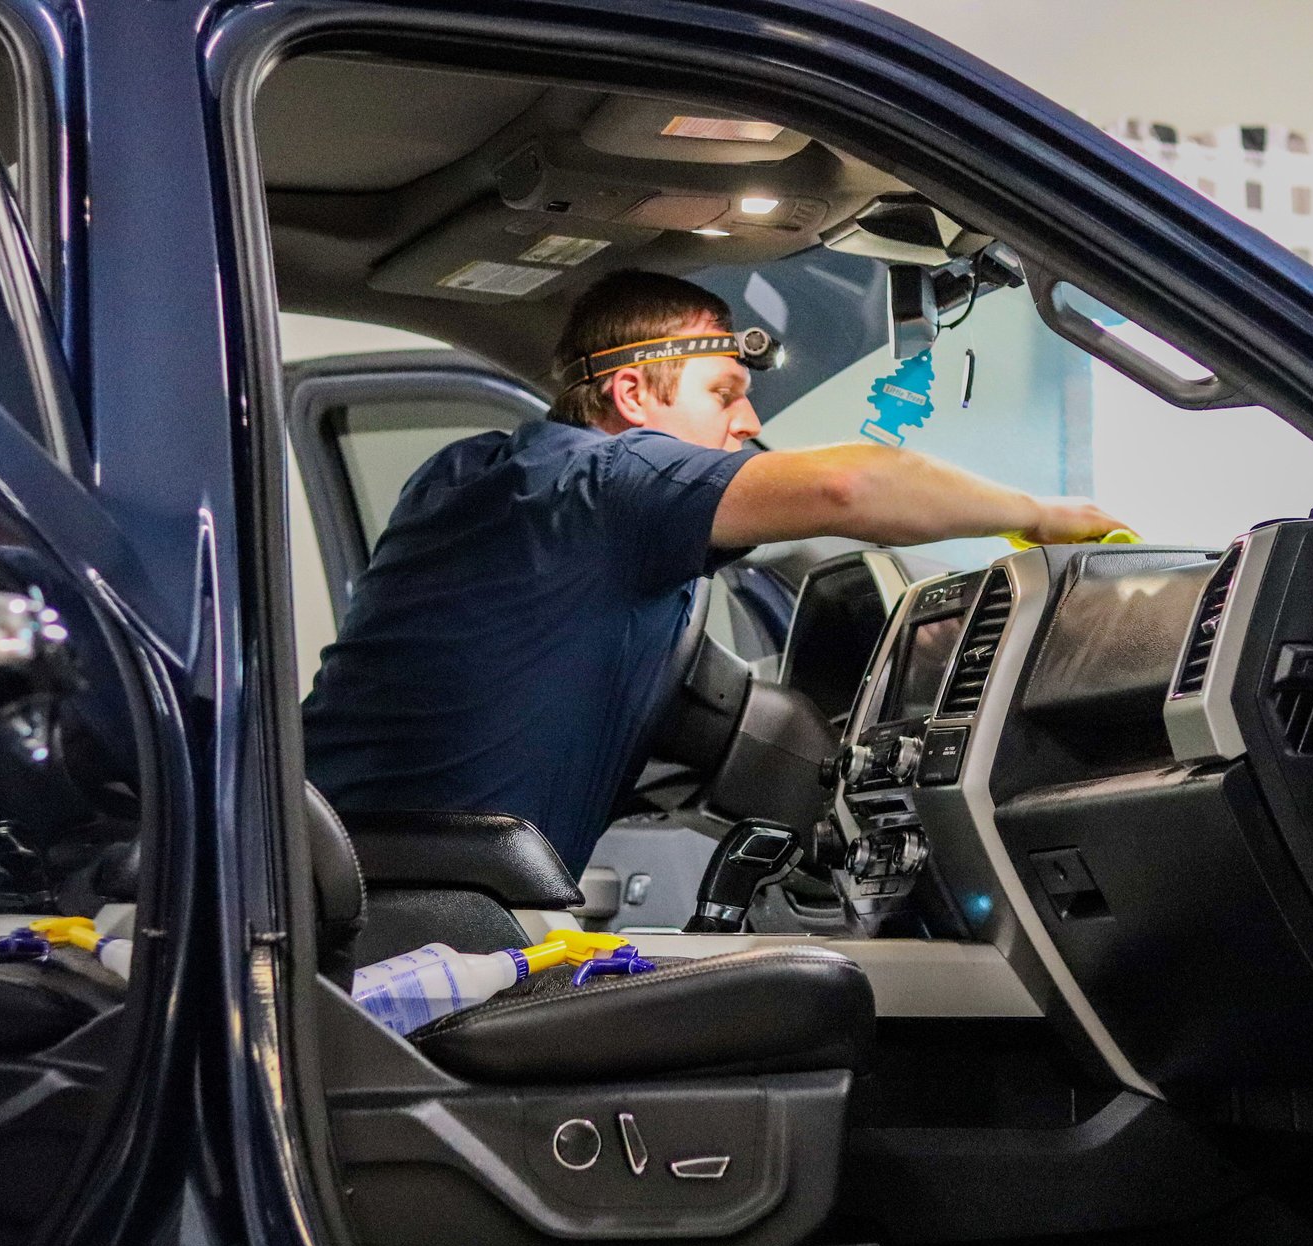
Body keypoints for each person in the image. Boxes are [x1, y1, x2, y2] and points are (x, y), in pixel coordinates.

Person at [302, 270, 1127, 874]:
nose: (749, 419)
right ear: (632, 393)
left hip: (333, 865)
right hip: (427, 898)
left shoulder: (479, 474)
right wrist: (1049, 516)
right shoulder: (611, 482)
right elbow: (851, 485)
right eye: (725, 391)